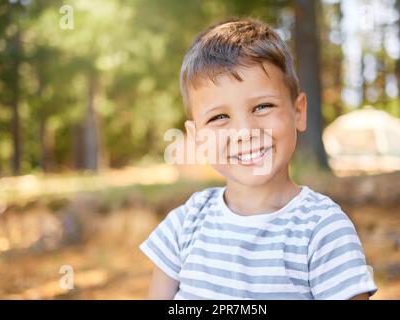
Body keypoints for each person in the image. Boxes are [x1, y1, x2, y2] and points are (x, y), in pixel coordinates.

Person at [139, 18, 378, 300]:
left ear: (298, 112)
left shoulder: (322, 229)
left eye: (262, 106)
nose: (245, 132)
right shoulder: (183, 225)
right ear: (198, 137)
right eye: (219, 117)